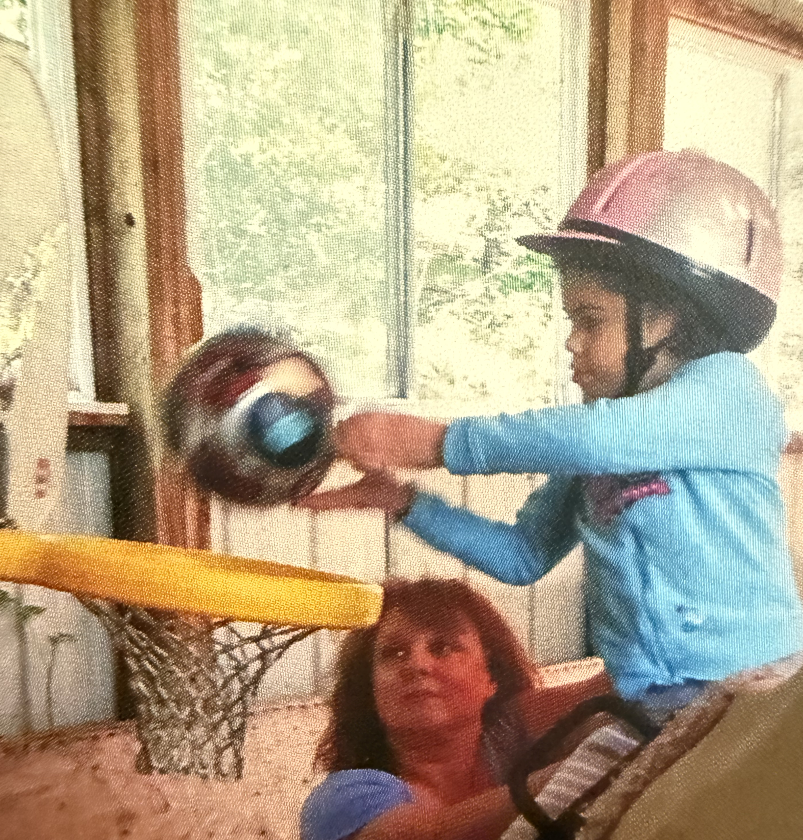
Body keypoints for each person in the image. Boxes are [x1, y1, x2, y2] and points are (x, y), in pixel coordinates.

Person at [298, 150, 803, 722]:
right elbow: (524, 556)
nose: (571, 343)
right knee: (554, 810)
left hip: (757, 695)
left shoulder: (730, 393)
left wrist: (435, 442)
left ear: (662, 321)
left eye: (590, 320)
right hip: (646, 703)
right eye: (571, 322)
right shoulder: (603, 437)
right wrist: (406, 502)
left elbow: (599, 441)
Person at [300, 577, 607, 840]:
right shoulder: (345, 797)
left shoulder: (510, 732)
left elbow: (623, 686)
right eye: (393, 653)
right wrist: (580, 769)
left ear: (490, 677)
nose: (417, 663)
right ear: (371, 690)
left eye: (442, 646)